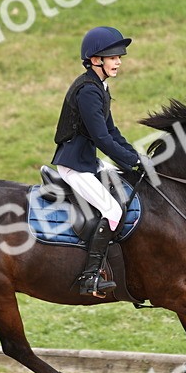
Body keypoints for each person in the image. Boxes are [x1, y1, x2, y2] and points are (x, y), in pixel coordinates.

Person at [51, 26, 143, 297]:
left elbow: (112, 131)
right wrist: (131, 161)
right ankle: (89, 276)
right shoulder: (88, 91)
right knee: (113, 211)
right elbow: (101, 138)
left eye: (119, 57)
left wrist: (137, 158)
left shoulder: (100, 86)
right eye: (113, 57)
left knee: (125, 185)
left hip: (87, 162)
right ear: (95, 60)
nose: (118, 61)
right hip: (74, 165)